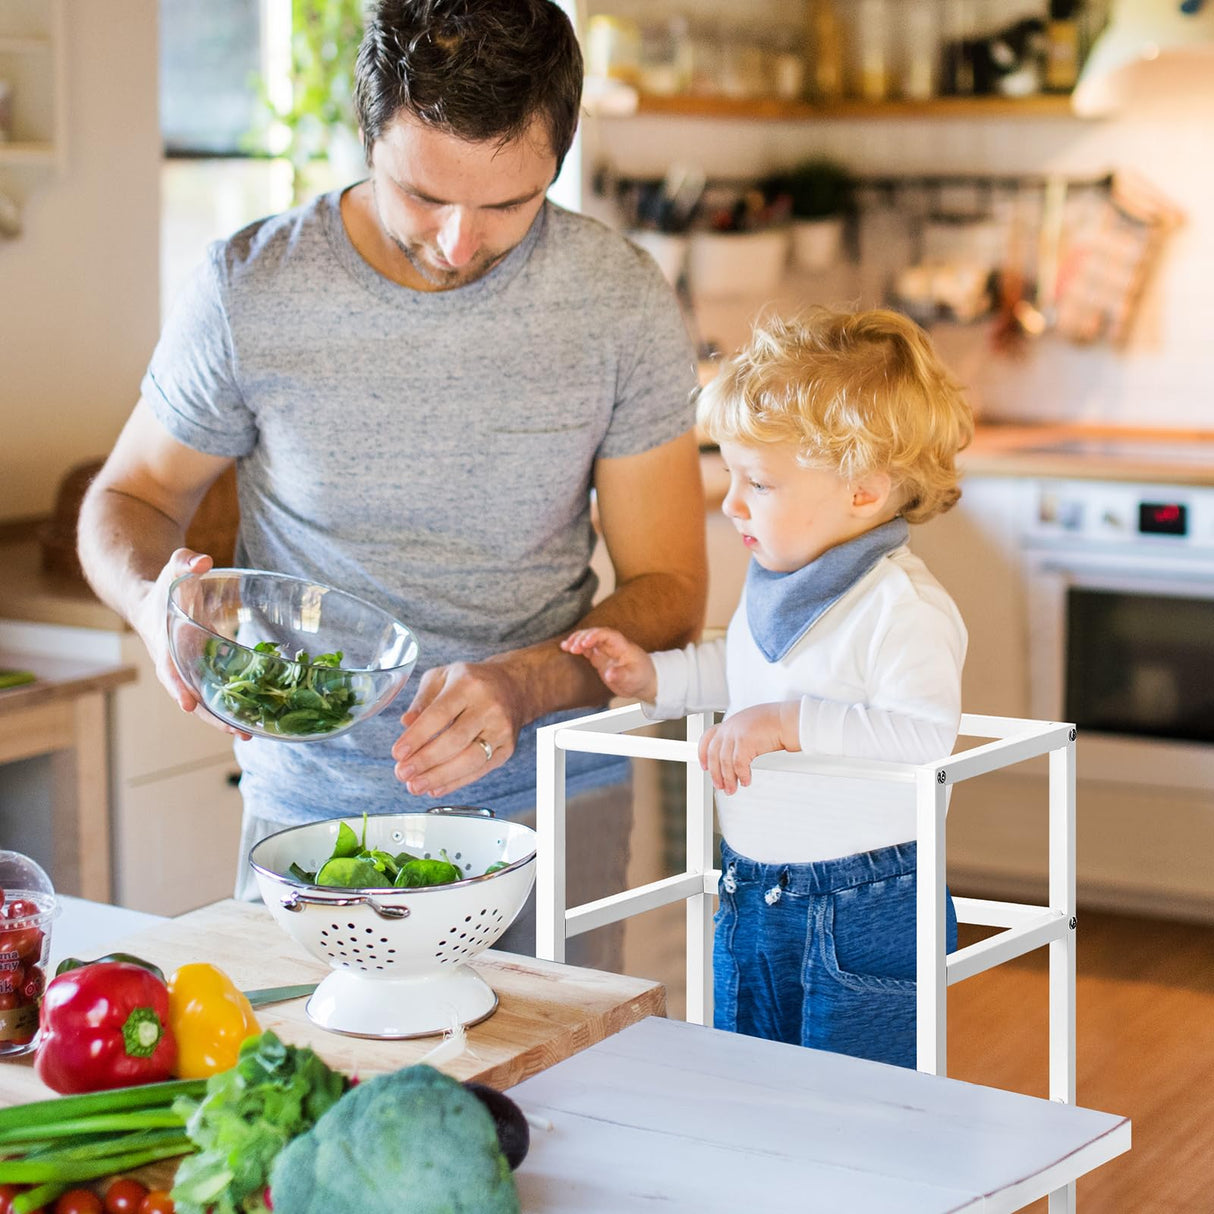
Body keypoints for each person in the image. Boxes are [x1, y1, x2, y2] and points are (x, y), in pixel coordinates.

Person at [76, 0, 707, 970]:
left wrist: (524, 682)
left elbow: (669, 589)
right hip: (309, 818)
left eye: (509, 205)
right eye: (423, 196)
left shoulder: (617, 299)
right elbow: (128, 500)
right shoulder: (251, 286)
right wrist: (152, 599)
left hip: (550, 803)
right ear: (368, 137)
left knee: (559, 1067)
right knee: (302, 1067)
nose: (458, 242)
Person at [562, 306, 973, 1066]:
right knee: (752, 1082)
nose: (732, 503)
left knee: (865, 1097)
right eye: (732, 475)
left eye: (758, 481)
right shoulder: (784, 583)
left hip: (866, 904)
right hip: (755, 886)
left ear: (863, 491)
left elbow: (922, 735)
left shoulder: (899, 605)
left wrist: (786, 723)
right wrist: (653, 675)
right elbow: (741, 670)